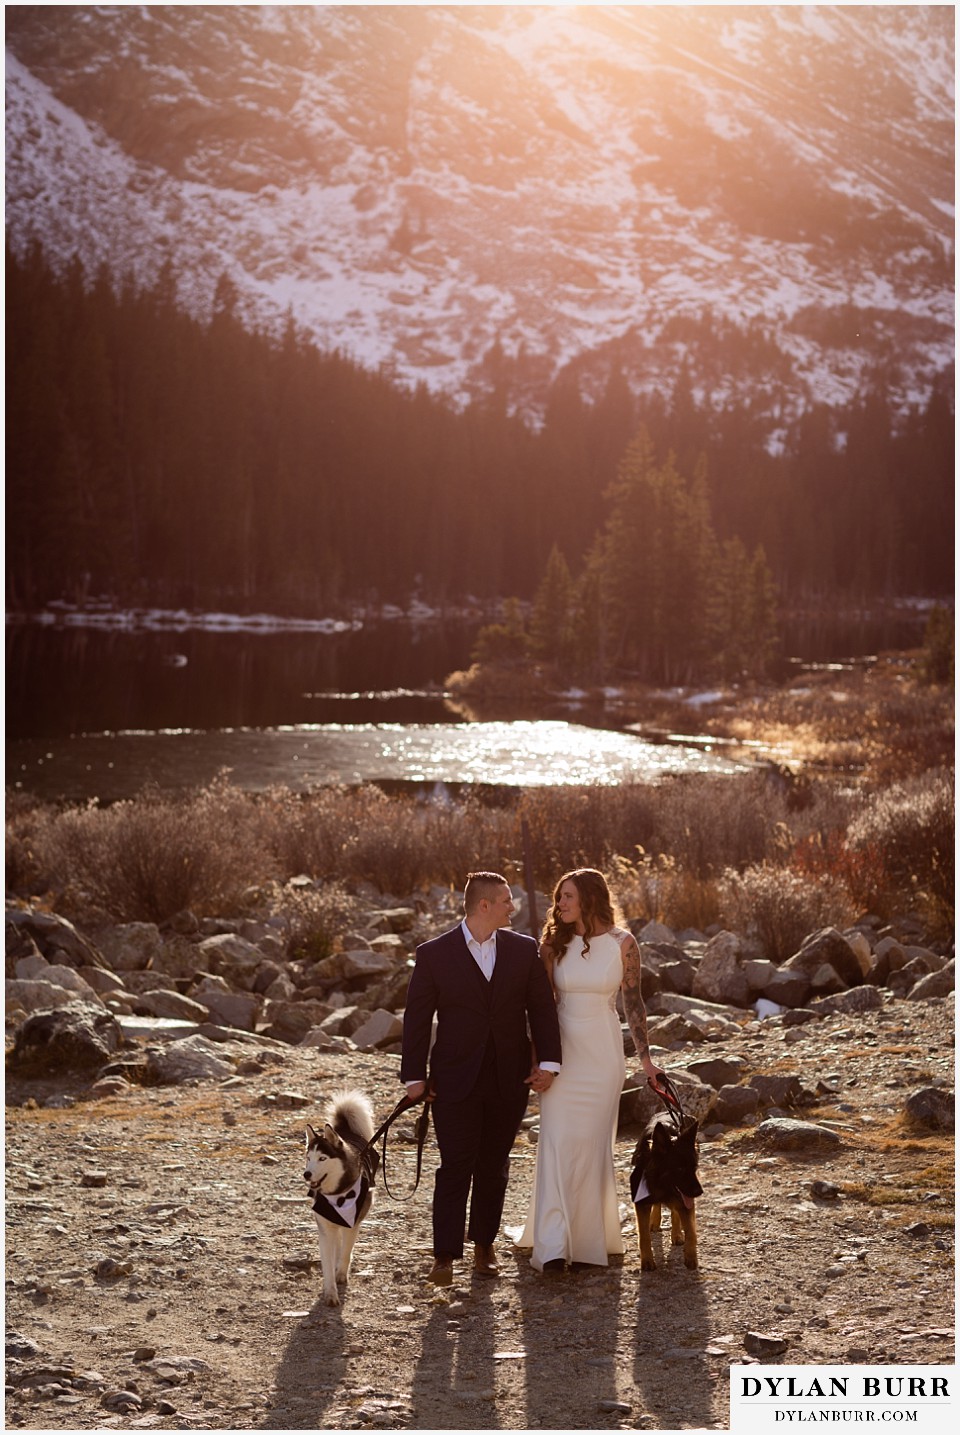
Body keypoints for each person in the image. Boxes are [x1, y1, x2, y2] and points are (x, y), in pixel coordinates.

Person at [400, 870, 562, 1286]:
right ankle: (444, 1255)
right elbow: (417, 1019)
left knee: (494, 1165)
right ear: (484, 905)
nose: (514, 907)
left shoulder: (523, 950)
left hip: (509, 1078)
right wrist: (414, 1077)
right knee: (455, 1165)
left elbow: (541, 1009)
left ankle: (484, 1245)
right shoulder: (434, 953)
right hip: (453, 1079)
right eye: (507, 900)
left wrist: (549, 1062)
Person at [519, 867, 664, 1274]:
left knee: (591, 1145)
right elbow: (541, 1009)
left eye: (567, 896)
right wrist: (537, 1060)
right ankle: (550, 1244)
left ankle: (585, 1243)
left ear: (588, 897)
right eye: (558, 897)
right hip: (561, 1054)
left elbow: (634, 1004)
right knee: (557, 1142)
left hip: (602, 1055)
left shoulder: (624, 944)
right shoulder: (552, 945)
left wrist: (645, 1060)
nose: (559, 904)